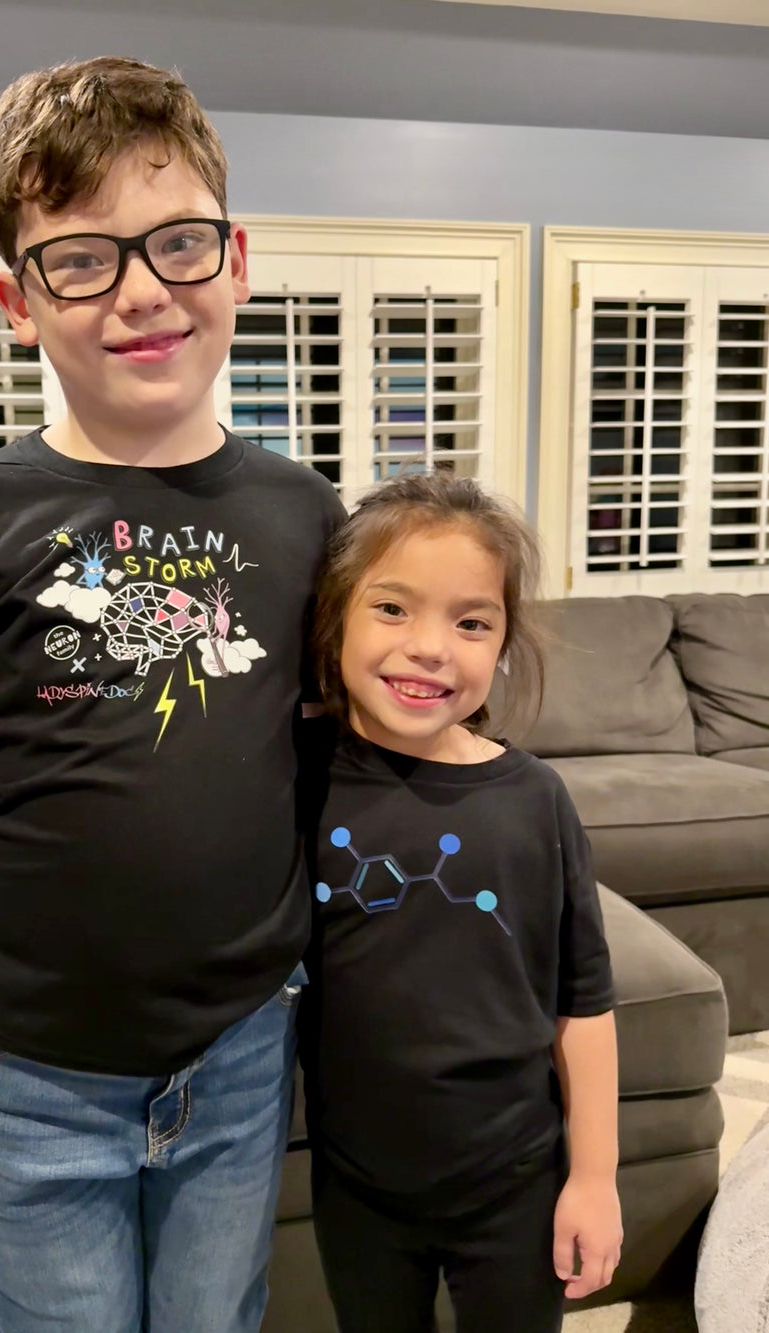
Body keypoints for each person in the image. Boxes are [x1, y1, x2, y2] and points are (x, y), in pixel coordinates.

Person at [0, 56, 345, 1333]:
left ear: (235, 260)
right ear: (18, 300)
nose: (141, 292)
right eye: (82, 259)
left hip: (240, 1046)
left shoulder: (306, 517)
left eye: (177, 243)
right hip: (21, 1065)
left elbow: (338, 749)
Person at [300, 471, 623, 1333]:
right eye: (393, 609)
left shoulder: (535, 800)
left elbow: (582, 1002)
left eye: (471, 621)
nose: (431, 647)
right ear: (336, 619)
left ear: (504, 642)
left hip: (515, 1184)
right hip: (357, 1188)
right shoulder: (293, 781)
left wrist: (593, 1178)